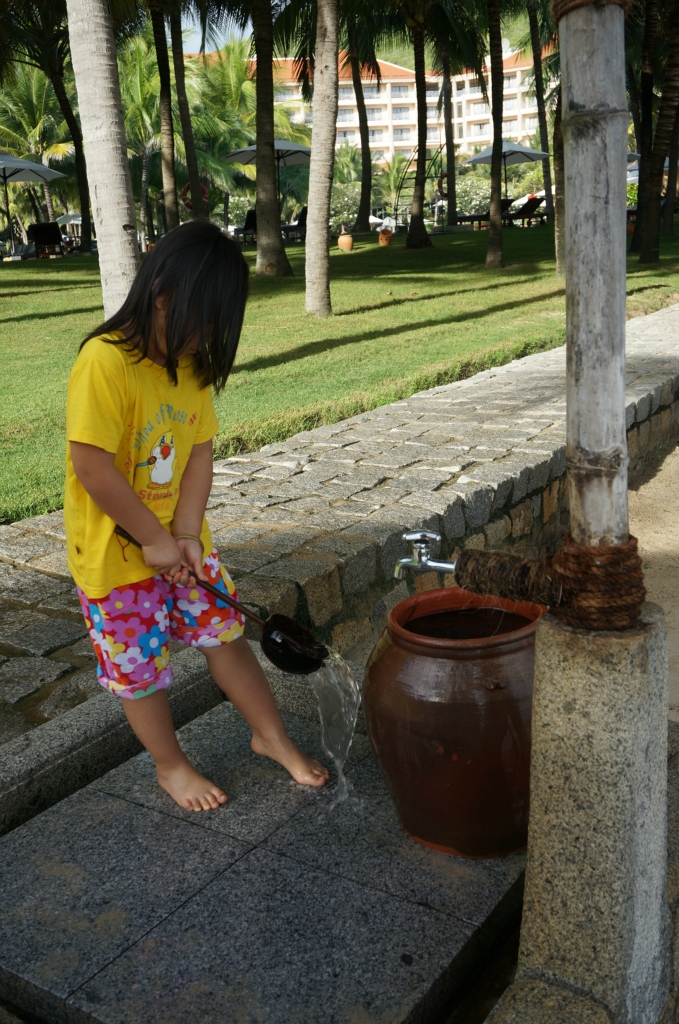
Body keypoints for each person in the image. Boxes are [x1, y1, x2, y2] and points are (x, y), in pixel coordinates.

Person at [65, 221, 328, 812]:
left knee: (227, 636)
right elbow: (93, 468)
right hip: (116, 561)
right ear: (163, 296)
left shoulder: (191, 371)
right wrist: (154, 539)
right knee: (142, 673)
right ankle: (171, 765)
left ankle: (271, 736)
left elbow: (199, 455)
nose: (206, 339)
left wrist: (184, 535)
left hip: (182, 544)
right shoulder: (104, 362)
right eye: (204, 323)